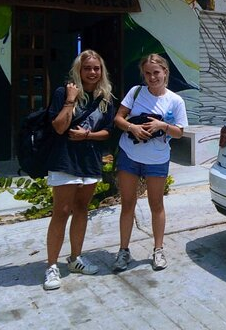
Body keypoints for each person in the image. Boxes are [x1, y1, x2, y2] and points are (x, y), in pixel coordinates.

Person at [43, 49, 115, 291]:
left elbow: (108, 132)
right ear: (79, 70)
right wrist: (71, 99)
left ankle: (75, 259)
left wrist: (87, 135)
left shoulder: (105, 97)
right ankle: (52, 266)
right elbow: (59, 128)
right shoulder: (64, 92)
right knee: (61, 211)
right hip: (65, 159)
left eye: (96, 68)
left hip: (90, 159)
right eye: (87, 68)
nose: (92, 72)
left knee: (82, 209)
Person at [112, 53, 187, 272]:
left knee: (156, 205)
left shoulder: (175, 100)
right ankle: (123, 250)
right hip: (130, 155)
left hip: (157, 159)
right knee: (128, 204)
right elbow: (118, 118)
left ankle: (158, 249)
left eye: (156, 72)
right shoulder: (135, 92)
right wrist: (132, 128)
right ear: (143, 75)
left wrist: (161, 126)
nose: (152, 77)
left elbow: (180, 132)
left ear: (165, 72)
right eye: (148, 73)